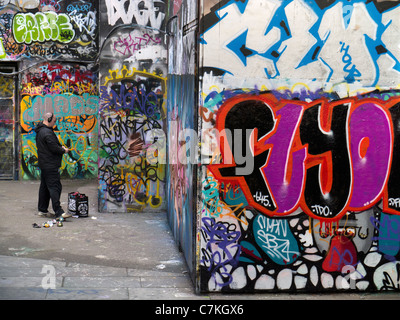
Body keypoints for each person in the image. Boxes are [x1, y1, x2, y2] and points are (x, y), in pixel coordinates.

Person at [35, 112, 72, 219]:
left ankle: (42, 210)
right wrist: (63, 150)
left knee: (45, 187)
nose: (55, 123)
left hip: (44, 163)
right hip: (50, 164)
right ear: (49, 119)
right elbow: (53, 147)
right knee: (55, 187)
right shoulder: (47, 132)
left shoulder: (40, 130)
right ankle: (59, 212)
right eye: (54, 121)